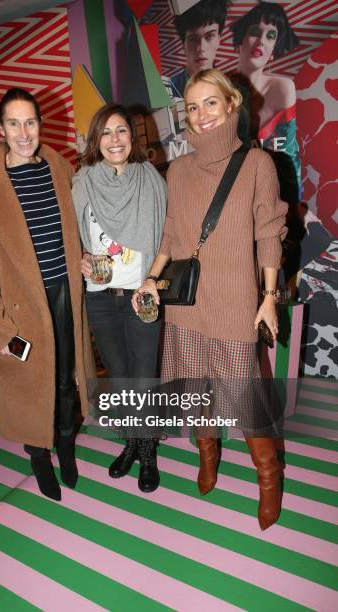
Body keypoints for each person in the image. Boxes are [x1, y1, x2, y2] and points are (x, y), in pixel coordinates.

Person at [133, 69, 288, 530]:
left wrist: (268, 297)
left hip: (236, 303)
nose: (200, 115)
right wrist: (150, 280)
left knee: (246, 401)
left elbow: (269, 235)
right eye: (192, 108)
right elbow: (172, 237)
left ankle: (268, 478)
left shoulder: (257, 164)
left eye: (210, 104)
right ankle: (207, 455)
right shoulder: (178, 170)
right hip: (188, 306)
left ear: (231, 105)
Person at [0, 88, 94, 501]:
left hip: (64, 295)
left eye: (29, 122)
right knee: (36, 383)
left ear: (40, 125)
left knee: (67, 379)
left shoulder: (60, 170)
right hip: (21, 309)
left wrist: (84, 257)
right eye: (13, 123)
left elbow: (75, 228)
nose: (23, 132)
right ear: (0, 128)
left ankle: (65, 443)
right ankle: (38, 454)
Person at [72, 103, 166, 493]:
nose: (114, 140)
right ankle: (130, 441)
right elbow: (72, 235)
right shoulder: (81, 182)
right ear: (96, 139)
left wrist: (153, 281)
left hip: (141, 296)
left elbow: (167, 241)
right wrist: (79, 256)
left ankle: (147, 451)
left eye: (122, 131)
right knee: (122, 379)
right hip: (101, 297)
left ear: (133, 136)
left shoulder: (152, 180)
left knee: (144, 379)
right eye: (106, 132)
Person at [231, 1, 300, 204]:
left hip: (275, 194)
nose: (261, 41)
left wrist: (292, 206)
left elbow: (289, 157)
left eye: (270, 36)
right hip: (233, 196)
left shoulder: (283, 89)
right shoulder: (219, 89)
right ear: (240, 39)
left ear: (273, 49)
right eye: (255, 31)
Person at [171, 0, 230, 98]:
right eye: (193, 39)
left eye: (209, 36)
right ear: (183, 43)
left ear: (219, 38)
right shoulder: (167, 91)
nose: (201, 48)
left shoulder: (233, 89)